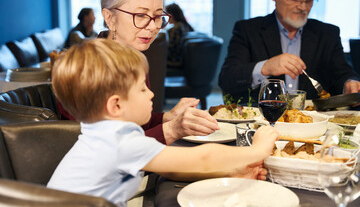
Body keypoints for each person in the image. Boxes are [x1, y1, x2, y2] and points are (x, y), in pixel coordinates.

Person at [47, 38, 279, 207]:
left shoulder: (100, 134)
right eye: (141, 88)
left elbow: (170, 166)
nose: (151, 94)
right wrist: (256, 149)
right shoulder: (119, 141)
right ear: (115, 105)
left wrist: (230, 174)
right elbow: (203, 158)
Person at [96, 0, 219, 145]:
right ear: (110, 18)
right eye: (140, 15)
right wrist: (171, 129)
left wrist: (168, 117)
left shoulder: (134, 59)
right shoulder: (90, 68)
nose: (153, 26)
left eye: (157, 16)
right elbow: (110, 148)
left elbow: (134, 125)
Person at [218, 0, 360, 103]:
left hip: (314, 122)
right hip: (263, 121)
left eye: (309, 0)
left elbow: (343, 74)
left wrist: (349, 83)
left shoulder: (328, 34)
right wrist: (265, 67)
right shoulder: (247, 30)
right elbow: (227, 79)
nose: (303, 7)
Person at [165, 3, 194, 68]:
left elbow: (171, 50)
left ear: (172, 15)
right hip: (184, 61)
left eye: (167, 14)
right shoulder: (187, 26)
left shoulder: (176, 29)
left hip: (175, 62)